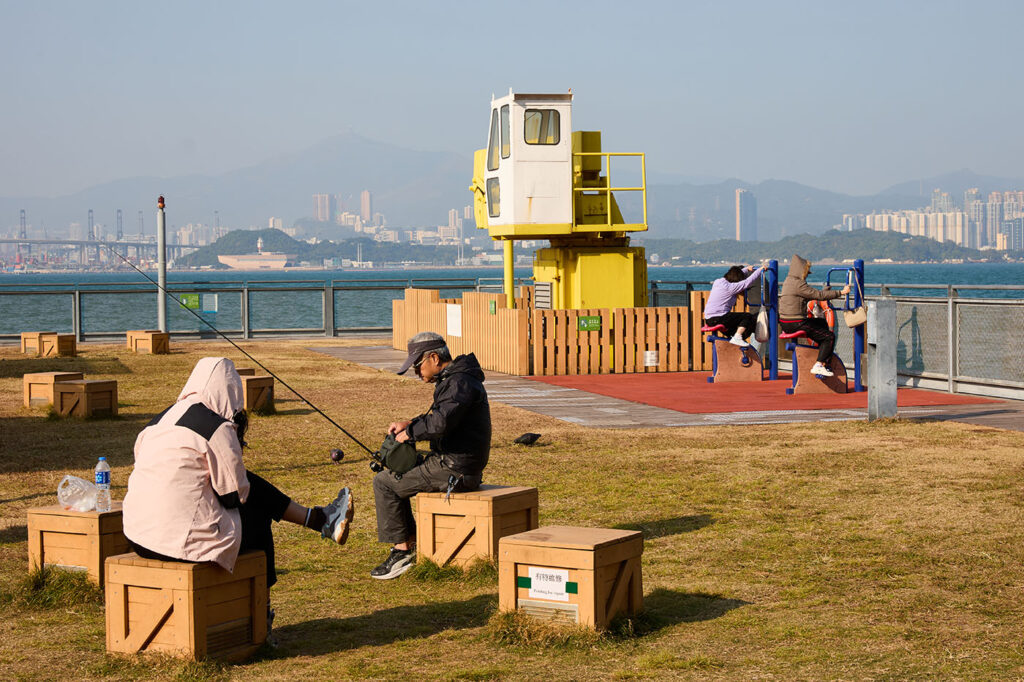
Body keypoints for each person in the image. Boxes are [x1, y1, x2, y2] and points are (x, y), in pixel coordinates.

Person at [122, 357, 354, 635]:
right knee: (257, 518)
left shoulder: (158, 421)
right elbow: (235, 495)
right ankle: (261, 613)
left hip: (138, 536)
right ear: (231, 392)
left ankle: (319, 520)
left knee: (250, 492)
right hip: (179, 542)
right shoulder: (215, 427)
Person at [371, 331, 491, 580]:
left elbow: (440, 424)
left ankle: (402, 551)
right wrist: (410, 423)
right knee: (395, 474)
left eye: (417, 365)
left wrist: (410, 433)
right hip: (457, 463)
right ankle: (411, 542)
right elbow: (443, 417)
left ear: (434, 358)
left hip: (455, 468)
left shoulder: (459, 383)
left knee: (384, 482)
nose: (416, 372)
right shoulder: (458, 378)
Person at [779, 254, 850, 377]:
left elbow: (808, 296)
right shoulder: (798, 284)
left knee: (821, 323)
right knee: (829, 337)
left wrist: (825, 292)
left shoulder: (788, 282)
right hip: (796, 323)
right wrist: (841, 292)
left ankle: (823, 351)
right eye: (806, 273)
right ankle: (819, 364)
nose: (806, 275)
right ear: (801, 271)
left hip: (785, 322)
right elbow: (818, 295)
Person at [703, 262, 768, 347]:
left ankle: (737, 338)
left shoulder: (718, 282)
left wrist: (746, 269)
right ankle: (737, 337)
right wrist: (759, 270)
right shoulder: (731, 287)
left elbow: (736, 274)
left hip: (709, 319)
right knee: (747, 316)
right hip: (719, 318)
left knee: (738, 329)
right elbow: (747, 282)